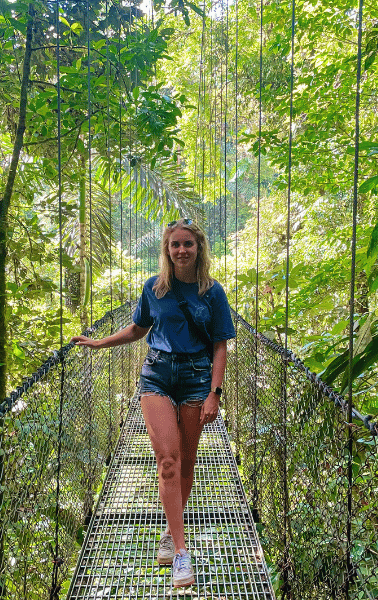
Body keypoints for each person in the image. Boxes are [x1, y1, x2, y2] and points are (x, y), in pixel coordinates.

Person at [71, 218, 236, 588]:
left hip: (196, 378)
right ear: (167, 249)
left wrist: (215, 393)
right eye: (175, 244)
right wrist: (100, 343)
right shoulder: (154, 288)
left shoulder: (213, 293)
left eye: (187, 244)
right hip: (157, 376)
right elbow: (138, 329)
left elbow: (220, 345)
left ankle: (168, 528)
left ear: (199, 248)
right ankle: (180, 552)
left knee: (187, 464)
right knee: (167, 463)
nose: (181, 250)